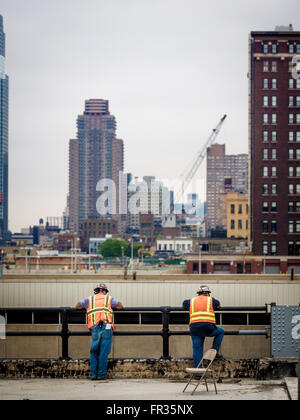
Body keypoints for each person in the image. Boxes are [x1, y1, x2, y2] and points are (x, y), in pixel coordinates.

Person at [75, 283, 123, 380]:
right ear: (104, 291)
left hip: (95, 328)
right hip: (106, 327)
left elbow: (77, 306)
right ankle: (101, 375)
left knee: (94, 351)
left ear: (95, 291)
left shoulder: (89, 300)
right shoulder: (109, 299)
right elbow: (120, 306)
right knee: (103, 353)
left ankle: (93, 375)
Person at [182, 285, 224, 368]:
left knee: (197, 349)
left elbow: (184, 303)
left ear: (198, 293)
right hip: (208, 327)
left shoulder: (191, 301)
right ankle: (214, 351)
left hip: (195, 328)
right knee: (221, 331)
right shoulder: (211, 300)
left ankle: (198, 374)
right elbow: (218, 304)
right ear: (207, 293)